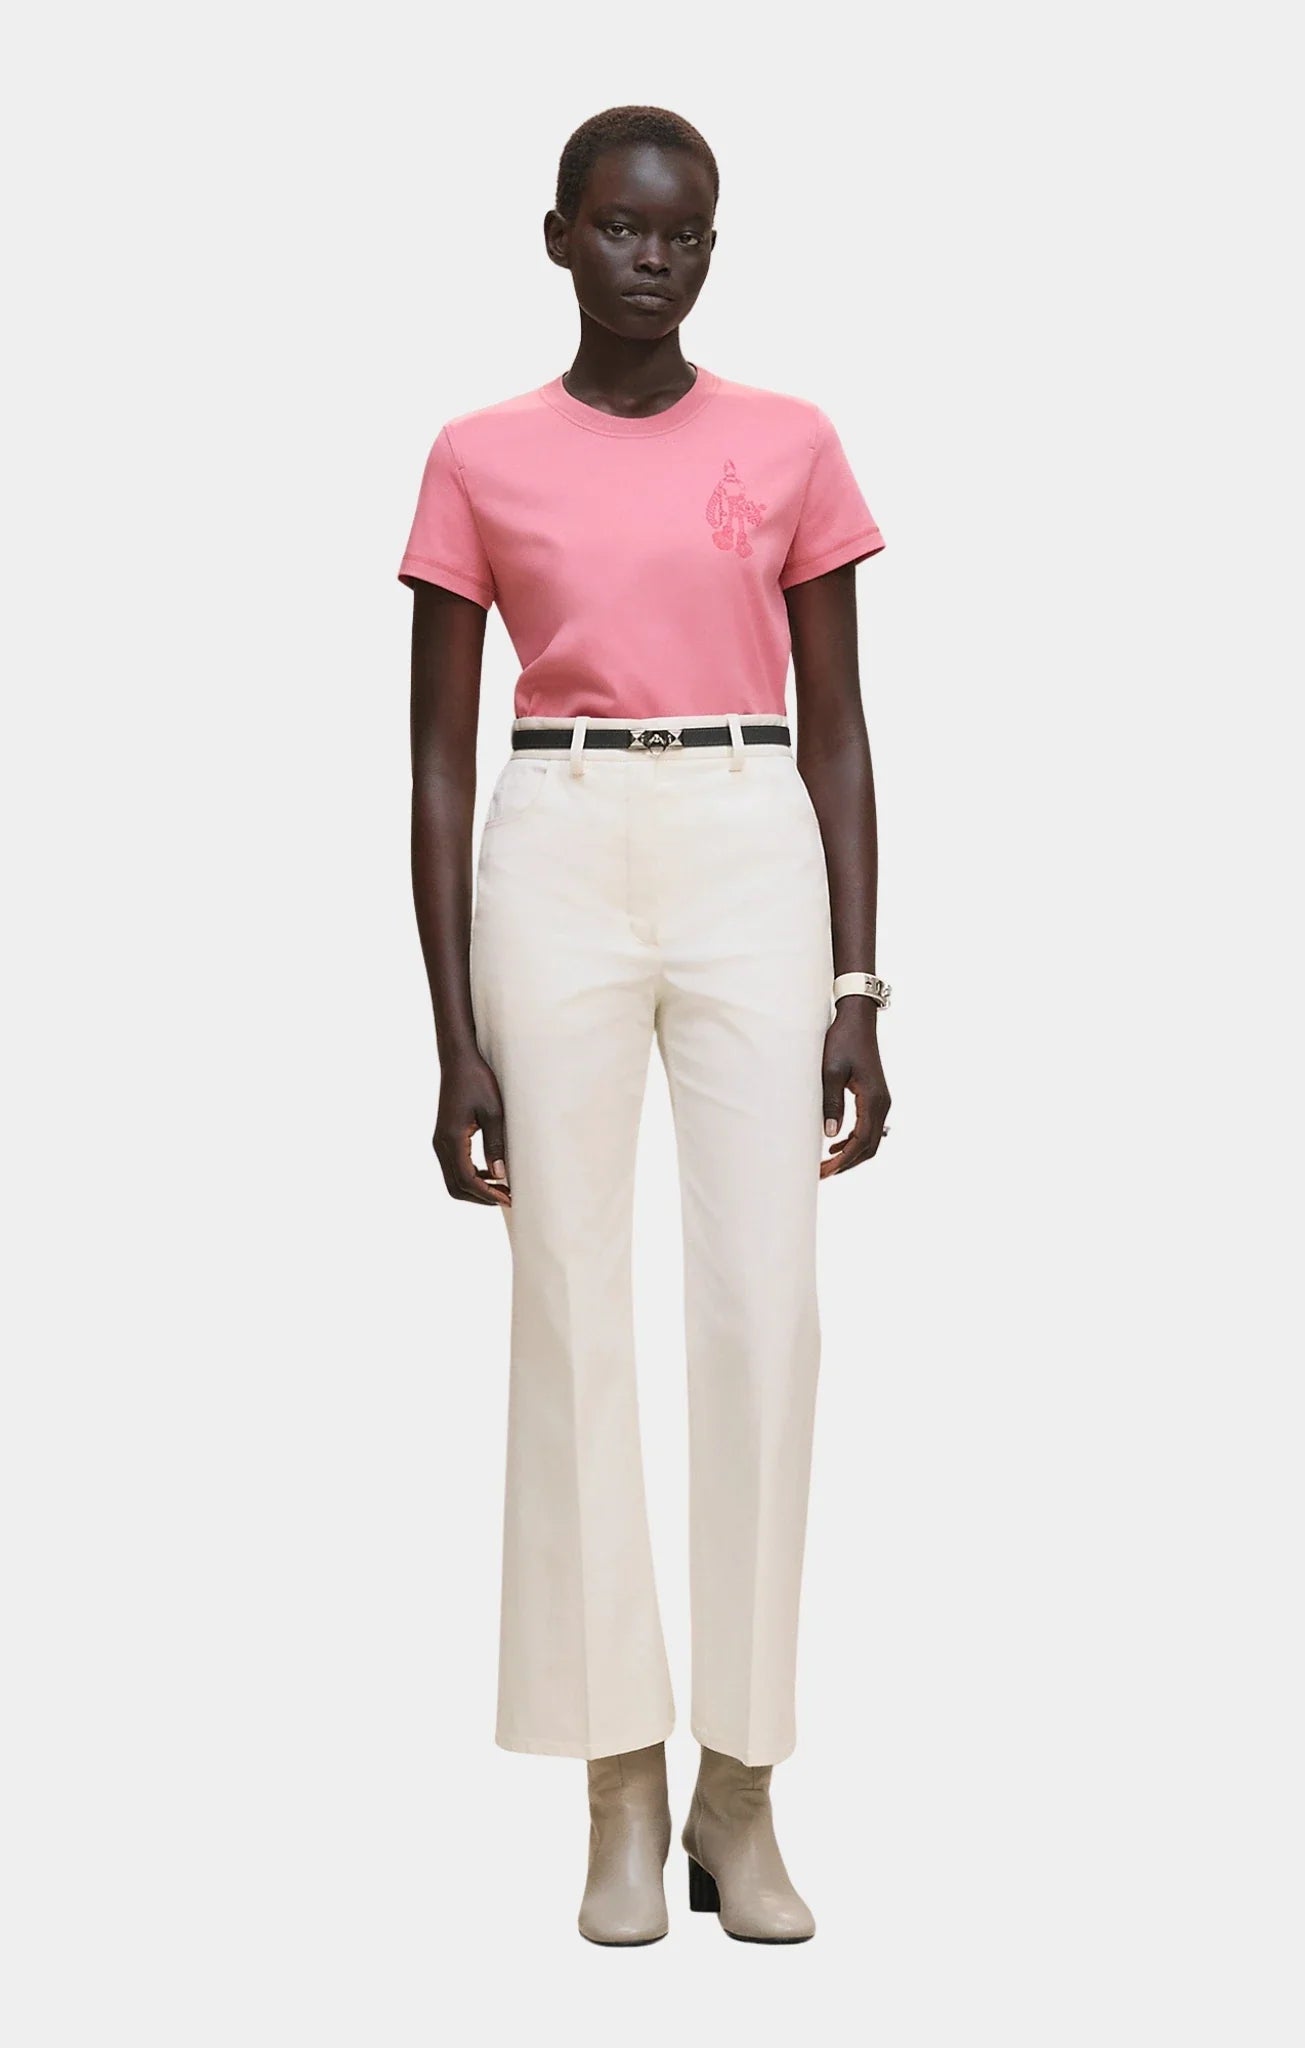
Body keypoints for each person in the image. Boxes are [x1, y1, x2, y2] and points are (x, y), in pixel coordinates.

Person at [398, 104, 892, 1946]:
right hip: (557, 843)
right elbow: (436, 760)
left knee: (766, 1310)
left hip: (752, 841)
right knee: (569, 1306)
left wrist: (859, 986)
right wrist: (452, 1035)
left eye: (682, 233)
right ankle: (617, 1787)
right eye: (618, 227)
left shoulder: (792, 443)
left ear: (712, 248)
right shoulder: (477, 456)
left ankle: (739, 1792)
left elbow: (840, 729)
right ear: (558, 236)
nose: (652, 259)